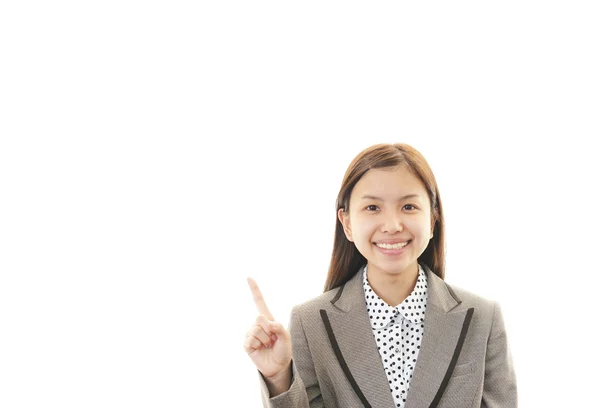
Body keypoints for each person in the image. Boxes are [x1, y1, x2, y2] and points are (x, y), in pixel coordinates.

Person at [244, 143, 517, 408]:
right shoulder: (310, 322)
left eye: (408, 206)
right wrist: (278, 377)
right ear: (347, 223)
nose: (392, 225)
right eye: (372, 208)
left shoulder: (482, 317)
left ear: (433, 219)